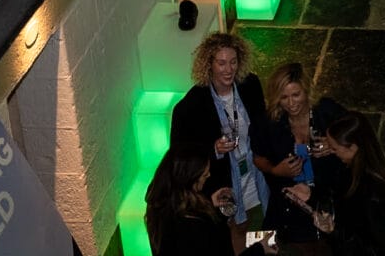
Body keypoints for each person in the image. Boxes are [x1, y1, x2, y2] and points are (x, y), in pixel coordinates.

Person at [170, 32, 271, 253]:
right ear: (209, 64)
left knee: (263, 220)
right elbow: (180, 157)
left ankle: (264, 251)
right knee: (236, 229)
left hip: (255, 173)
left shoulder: (250, 84)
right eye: (221, 63)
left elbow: (263, 124)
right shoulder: (190, 107)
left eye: (233, 62)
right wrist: (213, 149)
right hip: (222, 182)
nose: (229, 69)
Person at [258, 62, 349, 253]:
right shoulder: (271, 121)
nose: (291, 103)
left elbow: (357, 140)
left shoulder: (327, 111)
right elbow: (258, 157)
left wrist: (333, 147)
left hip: (325, 199)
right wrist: (276, 170)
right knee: (262, 247)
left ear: (306, 91)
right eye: (283, 98)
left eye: (295, 95)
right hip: (285, 203)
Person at [309, 112, 385, 256]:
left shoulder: (373, 191)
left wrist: (334, 232)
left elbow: (379, 248)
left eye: (334, 148)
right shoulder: (350, 172)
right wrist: (310, 196)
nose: (331, 152)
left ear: (353, 148)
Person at [143, 148, 233, 256]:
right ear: (190, 176)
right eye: (204, 174)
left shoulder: (160, 203)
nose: (209, 174)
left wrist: (209, 202)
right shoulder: (193, 226)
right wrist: (258, 248)